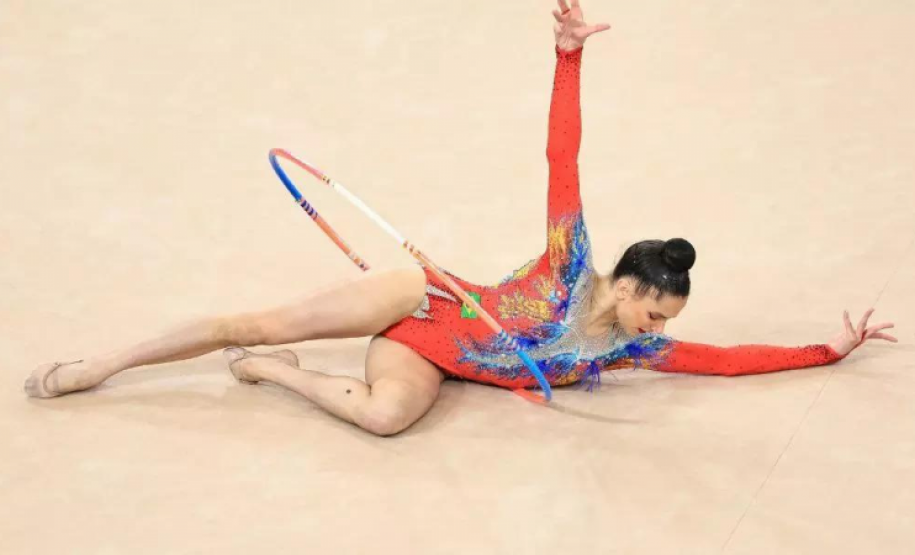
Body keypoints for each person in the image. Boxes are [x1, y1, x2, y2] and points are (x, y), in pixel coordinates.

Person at [24, 0, 896, 436]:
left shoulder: (628, 348)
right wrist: (564, 62)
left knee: (387, 419)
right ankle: (96, 367)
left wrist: (827, 349)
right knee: (242, 317)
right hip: (420, 301)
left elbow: (728, 361)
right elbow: (564, 161)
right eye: (653, 308)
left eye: (662, 321)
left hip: (419, 358)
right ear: (627, 282)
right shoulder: (570, 261)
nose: (657, 327)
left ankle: (274, 372)